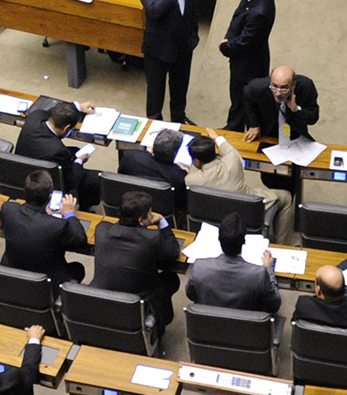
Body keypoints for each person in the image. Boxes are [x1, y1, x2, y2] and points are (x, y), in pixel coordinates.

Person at [92, 190, 182, 325]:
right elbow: (173, 251)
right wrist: (162, 222)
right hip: (137, 302)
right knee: (171, 278)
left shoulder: (102, 229)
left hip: (101, 297)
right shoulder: (152, 238)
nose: (152, 216)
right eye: (149, 214)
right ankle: (159, 323)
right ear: (141, 220)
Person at [0, 172, 91, 283]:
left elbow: (27, 223)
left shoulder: (8, 209)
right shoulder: (57, 225)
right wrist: (69, 213)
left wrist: (43, 212)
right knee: (78, 268)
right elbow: (81, 240)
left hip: (12, 269)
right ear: (50, 197)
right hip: (45, 281)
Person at [218, 0, 275, 132]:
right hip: (248, 60)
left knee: (241, 102)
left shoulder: (260, 12)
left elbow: (245, 41)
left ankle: (233, 133)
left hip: (248, 66)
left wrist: (225, 45)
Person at [185, 212, 278, 313]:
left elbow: (191, 295)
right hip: (246, 326)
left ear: (219, 239)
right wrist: (268, 269)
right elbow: (274, 304)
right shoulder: (260, 274)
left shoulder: (199, 267)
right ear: (244, 242)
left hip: (208, 325)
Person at [14, 101, 91, 202]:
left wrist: (77, 106)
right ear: (66, 128)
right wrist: (80, 161)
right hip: (41, 184)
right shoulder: (59, 151)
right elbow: (70, 181)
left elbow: (52, 111)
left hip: (18, 171)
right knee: (89, 178)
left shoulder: (35, 116)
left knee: (74, 150)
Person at [241, 65, 320, 143]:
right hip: (267, 132)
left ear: (293, 85)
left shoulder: (305, 87)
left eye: (284, 88)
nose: (278, 93)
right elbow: (248, 94)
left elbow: (313, 118)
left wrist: (296, 109)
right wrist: (254, 125)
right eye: (274, 86)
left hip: (295, 135)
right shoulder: (257, 87)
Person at [118, 129, 189, 210]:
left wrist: (146, 154)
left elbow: (121, 177)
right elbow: (181, 202)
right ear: (175, 154)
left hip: (131, 203)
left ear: (153, 146)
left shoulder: (130, 156)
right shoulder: (178, 175)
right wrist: (185, 172)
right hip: (162, 208)